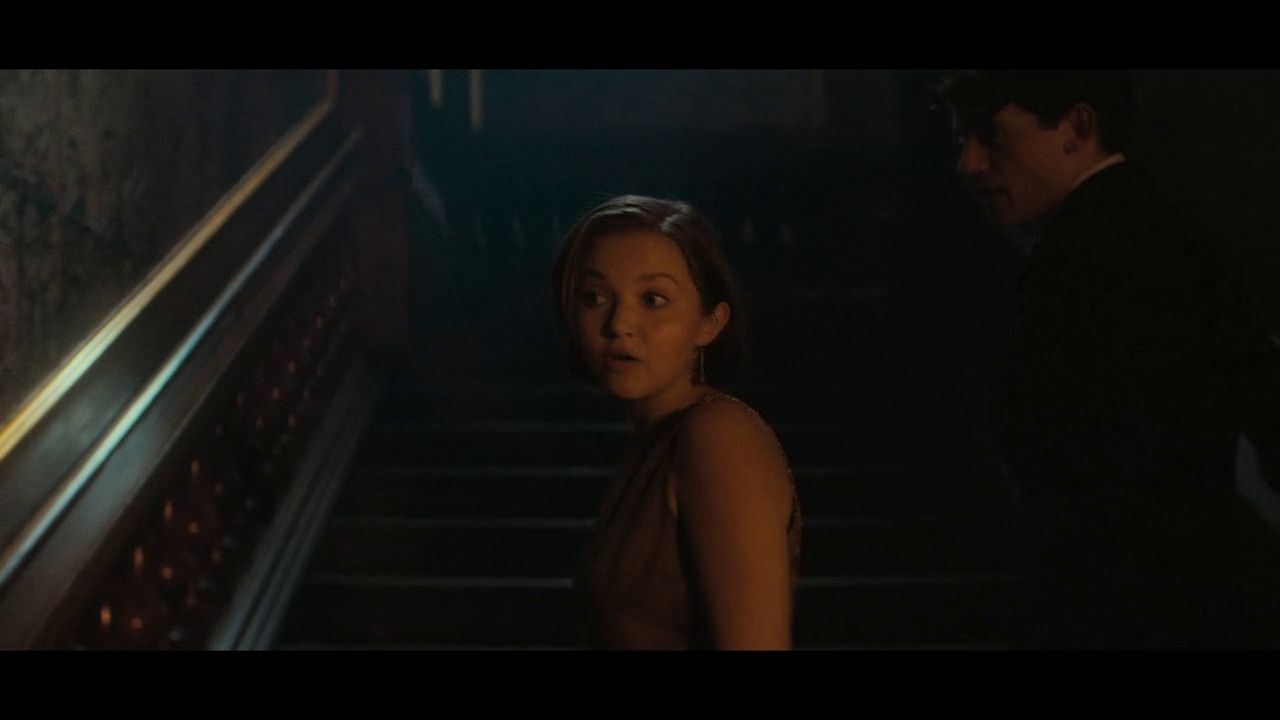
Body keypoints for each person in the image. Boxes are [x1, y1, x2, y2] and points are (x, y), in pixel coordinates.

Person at [941, 69, 1280, 648]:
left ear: (1077, 128)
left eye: (992, 135)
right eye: (963, 138)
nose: (969, 163)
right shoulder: (1161, 235)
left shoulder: (1087, 260)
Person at [552, 194, 801, 650]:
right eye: (595, 298)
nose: (619, 323)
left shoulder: (718, 435)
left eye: (653, 299)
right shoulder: (654, 443)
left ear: (710, 322)